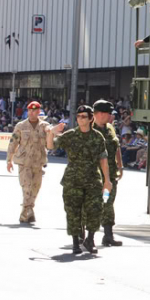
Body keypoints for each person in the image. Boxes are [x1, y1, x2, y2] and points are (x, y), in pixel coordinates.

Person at [46, 105, 112, 254]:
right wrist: (51, 132)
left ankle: (90, 239)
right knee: (73, 211)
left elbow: (103, 159)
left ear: (90, 119)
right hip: (72, 180)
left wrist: (107, 180)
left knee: (95, 209)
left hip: (92, 180)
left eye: (83, 116)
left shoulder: (97, 137)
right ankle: (76, 242)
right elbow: (50, 146)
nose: (80, 119)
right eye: (78, 116)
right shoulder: (70, 135)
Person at [6, 101, 51, 223]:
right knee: (27, 187)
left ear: (38, 112)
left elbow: (50, 143)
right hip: (24, 162)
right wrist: (9, 160)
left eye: (34, 111)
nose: (32, 113)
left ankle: (26, 212)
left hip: (38, 162)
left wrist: (52, 132)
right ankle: (28, 210)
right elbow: (13, 143)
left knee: (35, 188)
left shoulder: (44, 126)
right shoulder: (21, 126)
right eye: (30, 110)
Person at [92, 100, 124, 247]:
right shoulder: (88, 129)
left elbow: (116, 146)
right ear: (98, 114)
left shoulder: (110, 128)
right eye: (107, 113)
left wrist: (120, 165)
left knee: (108, 202)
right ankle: (85, 236)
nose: (110, 116)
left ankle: (108, 235)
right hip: (93, 176)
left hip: (109, 176)